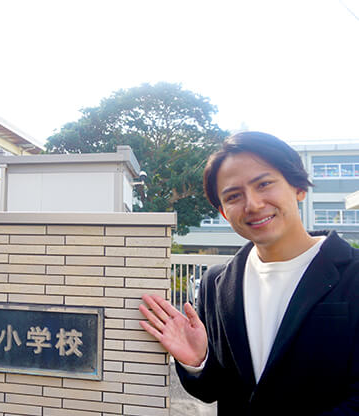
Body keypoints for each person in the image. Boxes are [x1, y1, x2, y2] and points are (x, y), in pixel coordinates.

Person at [139, 132, 359, 415]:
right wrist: (198, 361)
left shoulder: (353, 273)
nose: (252, 204)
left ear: (298, 187)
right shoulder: (216, 284)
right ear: (224, 212)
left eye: (264, 184)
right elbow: (212, 389)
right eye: (233, 196)